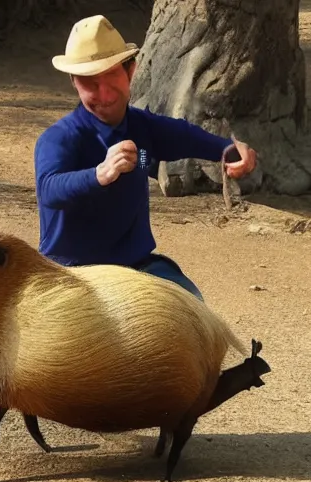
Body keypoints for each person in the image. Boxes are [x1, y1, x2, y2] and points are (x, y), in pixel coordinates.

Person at [36, 15, 258, 298]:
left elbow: (185, 135)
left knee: (194, 309)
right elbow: (49, 189)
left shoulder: (143, 129)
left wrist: (229, 150)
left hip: (136, 268)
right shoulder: (58, 138)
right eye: (89, 82)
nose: (103, 93)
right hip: (72, 274)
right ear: (74, 82)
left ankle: (147, 165)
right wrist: (99, 174)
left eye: (111, 75)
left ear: (130, 71)